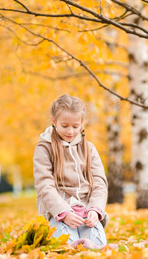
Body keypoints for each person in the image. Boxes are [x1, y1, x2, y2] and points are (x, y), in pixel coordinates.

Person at [33, 94, 108, 247]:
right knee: (66, 245)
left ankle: (88, 243)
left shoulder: (89, 148)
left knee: (97, 244)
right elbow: (44, 185)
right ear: (54, 121)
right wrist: (64, 212)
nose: (70, 131)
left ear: (82, 124)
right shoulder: (44, 148)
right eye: (64, 125)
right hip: (58, 213)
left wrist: (95, 210)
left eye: (75, 126)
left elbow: (99, 183)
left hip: (86, 211)